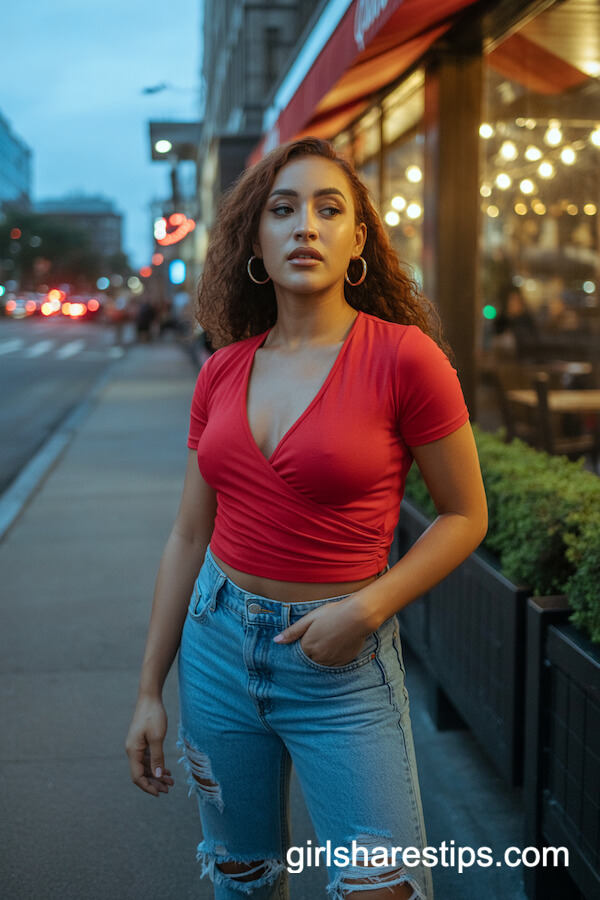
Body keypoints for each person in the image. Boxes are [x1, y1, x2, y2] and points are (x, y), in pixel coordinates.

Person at [126, 137, 488, 899]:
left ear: (358, 238)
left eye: (330, 209)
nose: (305, 227)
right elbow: (188, 533)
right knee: (243, 876)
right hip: (216, 648)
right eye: (283, 209)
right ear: (256, 237)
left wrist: (367, 609)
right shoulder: (224, 367)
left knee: (380, 887)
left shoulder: (405, 358)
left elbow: (464, 515)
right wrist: (149, 690)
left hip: (341, 663)